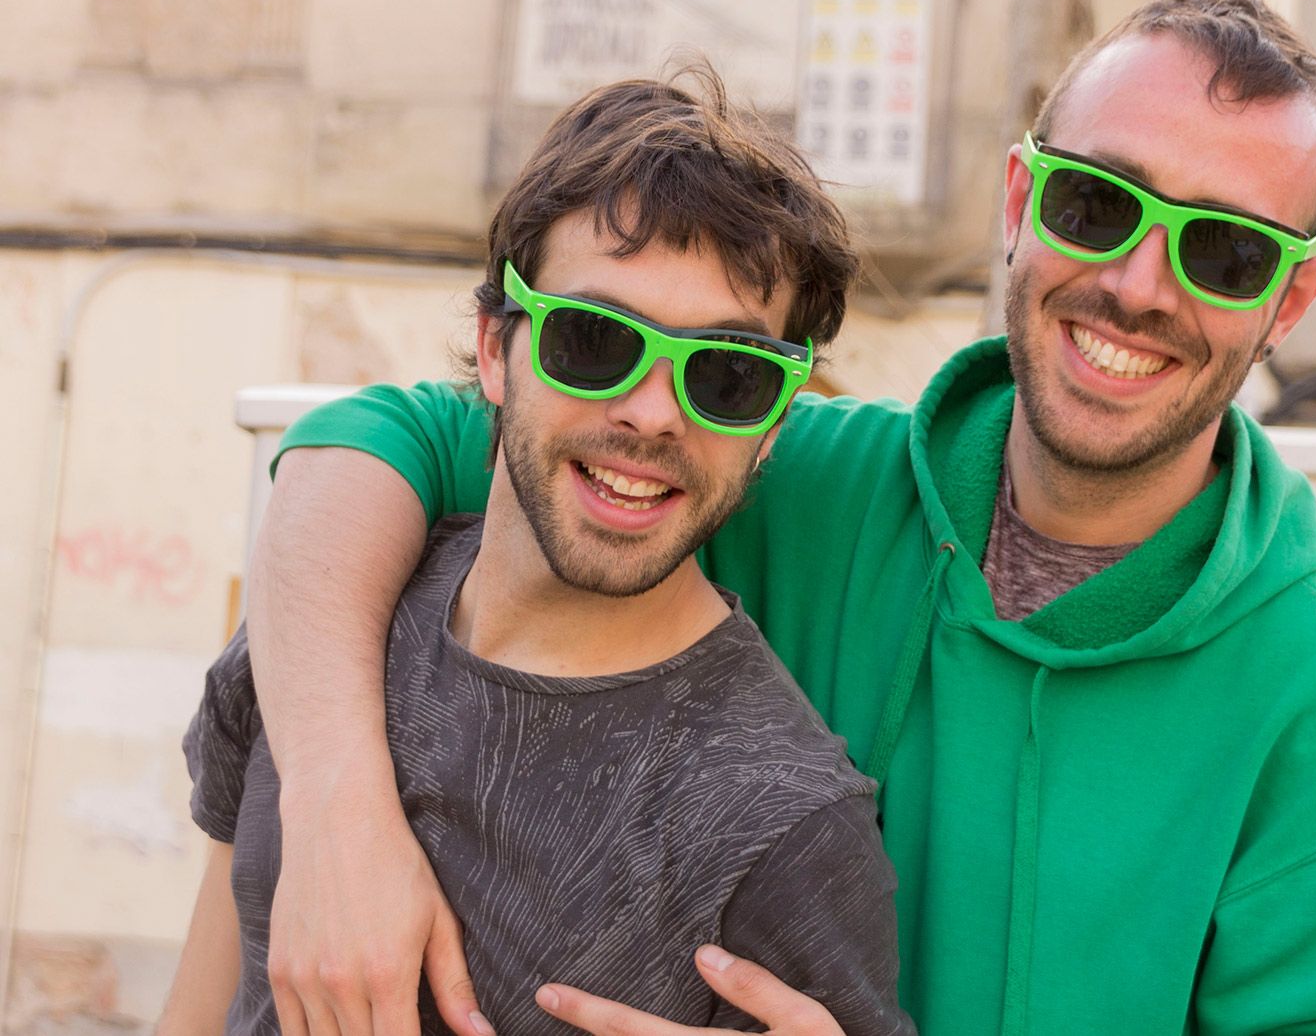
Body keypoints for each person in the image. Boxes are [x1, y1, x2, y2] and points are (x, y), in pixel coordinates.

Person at [244, 0, 1316, 1036]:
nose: (1135, 284)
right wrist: (337, 808)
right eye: (1096, 206)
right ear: (1019, 202)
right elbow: (371, 446)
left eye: (1222, 253)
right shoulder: (768, 461)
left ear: (1295, 298)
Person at [158, 71, 914, 1036]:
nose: (651, 411)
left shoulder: (788, 827)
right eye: (594, 342)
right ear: (493, 347)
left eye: (728, 375)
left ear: (773, 427)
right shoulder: (325, 643)